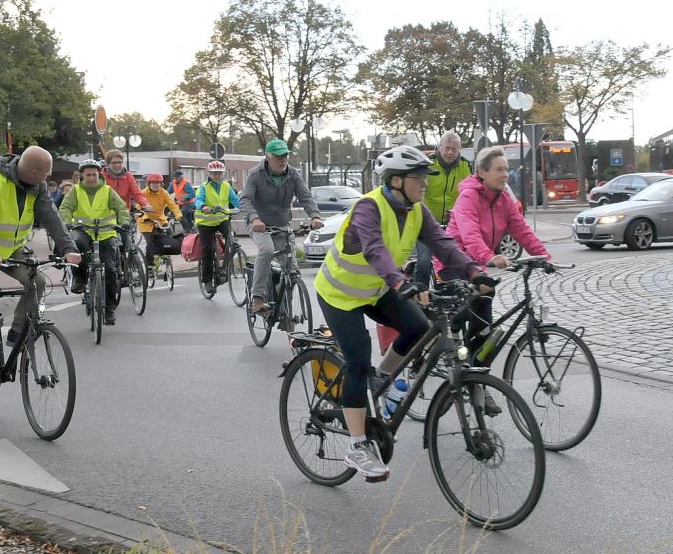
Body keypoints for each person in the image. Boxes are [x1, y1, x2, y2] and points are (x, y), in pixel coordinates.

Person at [313, 145, 494, 481]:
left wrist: (473, 271)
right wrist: (401, 281)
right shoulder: (369, 207)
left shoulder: (416, 210)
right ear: (397, 181)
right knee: (357, 359)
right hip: (340, 294)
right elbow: (374, 249)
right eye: (419, 178)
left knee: (418, 326)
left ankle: (381, 379)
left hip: (377, 290)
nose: (425, 183)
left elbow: (443, 243)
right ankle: (357, 445)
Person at [0, 146, 82, 411]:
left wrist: (68, 248)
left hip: (10, 249)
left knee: (37, 282)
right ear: (34, 171)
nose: (48, 179)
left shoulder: (37, 187)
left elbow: (52, 218)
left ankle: (16, 332)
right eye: (46, 173)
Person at [441, 146, 549, 352]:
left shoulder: (504, 199)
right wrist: (489, 256)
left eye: (506, 169)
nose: (505, 175)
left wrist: (544, 256)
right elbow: (469, 234)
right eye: (499, 169)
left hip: (475, 263)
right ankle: (448, 326)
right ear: (482, 172)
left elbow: (522, 230)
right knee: (475, 298)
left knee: (484, 317)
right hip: (452, 260)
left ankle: (472, 368)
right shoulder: (468, 197)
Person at [238, 139, 323, 315]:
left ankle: (284, 309)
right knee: (267, 250)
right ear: (267, 157)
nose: (282, 159)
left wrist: (314, 215)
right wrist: (254, 218)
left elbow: (305, 196)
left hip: (282, 225)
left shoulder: (293, 174)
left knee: (292, 272)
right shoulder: (255, 174)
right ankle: (258, 298)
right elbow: (245, 200)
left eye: (285, 155)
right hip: (259, 225)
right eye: (278, 156)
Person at [60, 159, 130, 326]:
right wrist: (66, 222)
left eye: (94, 174)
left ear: (99, 175)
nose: (91, 178)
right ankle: (79, 276)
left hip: (105, 233)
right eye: (88, 175)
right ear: (82, 176)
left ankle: (110, 309)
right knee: (76, 246)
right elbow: (65, 208)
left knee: (110, 269)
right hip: (83, 231)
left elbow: (121, 208)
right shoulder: (75, 191)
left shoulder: (107, 190)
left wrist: (124, 221)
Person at [413, 132, 471, 286]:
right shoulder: (428, 164)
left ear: (459, 150)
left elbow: (468, 194)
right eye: (447, 148)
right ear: (439, 148)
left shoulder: (465, 166)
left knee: (457, 261)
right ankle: (419, 294)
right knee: (424, 261)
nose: (450, 152)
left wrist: (457, 211)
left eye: (454, 149)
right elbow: (418, 192)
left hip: (453, 224)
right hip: (426, 224)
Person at [193, 160, 241, 293]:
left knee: (231, 240)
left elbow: (235, 200)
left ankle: (224, 269)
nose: (217, 176)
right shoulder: (203, 187)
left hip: (221, 219)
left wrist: (246, 208)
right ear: (209, 173)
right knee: (208, 249)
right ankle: (207, 280)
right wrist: (204, 207)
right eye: (214, 173)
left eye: (219, 173)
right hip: (205, 222)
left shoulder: (226, 186)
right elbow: (198, 200)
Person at [138, 172, 182, 269]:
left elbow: (172, 205)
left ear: (161, 184)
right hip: (146, 223)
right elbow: (139, 208)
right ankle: (150, 266)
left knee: (169, 239)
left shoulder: (164, 193)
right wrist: (146, 218)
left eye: (157, 183)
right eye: (153, 183)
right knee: (150, 244)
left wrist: (178, 215)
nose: (155, 185)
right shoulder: (143, 193)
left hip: (160, 221)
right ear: (148, 184)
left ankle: (166, 255)